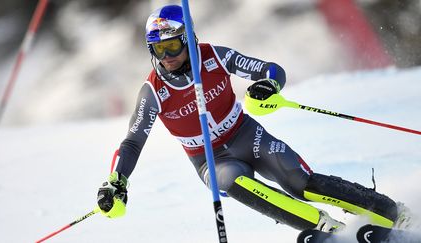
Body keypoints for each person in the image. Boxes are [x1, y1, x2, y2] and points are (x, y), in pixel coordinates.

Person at [97, 5, 408, 233]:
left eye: (173, 45)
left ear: (189, 39)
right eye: (158, 48)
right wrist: (117, 180)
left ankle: (390, 211)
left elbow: (272, 71)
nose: (166, 56)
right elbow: (133, 141)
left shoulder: (214, 57)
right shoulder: (153, 91)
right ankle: (326, 229)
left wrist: (267, 86)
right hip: (210, 159)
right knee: (233, 181)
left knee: (301, 183)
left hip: (246, 134)